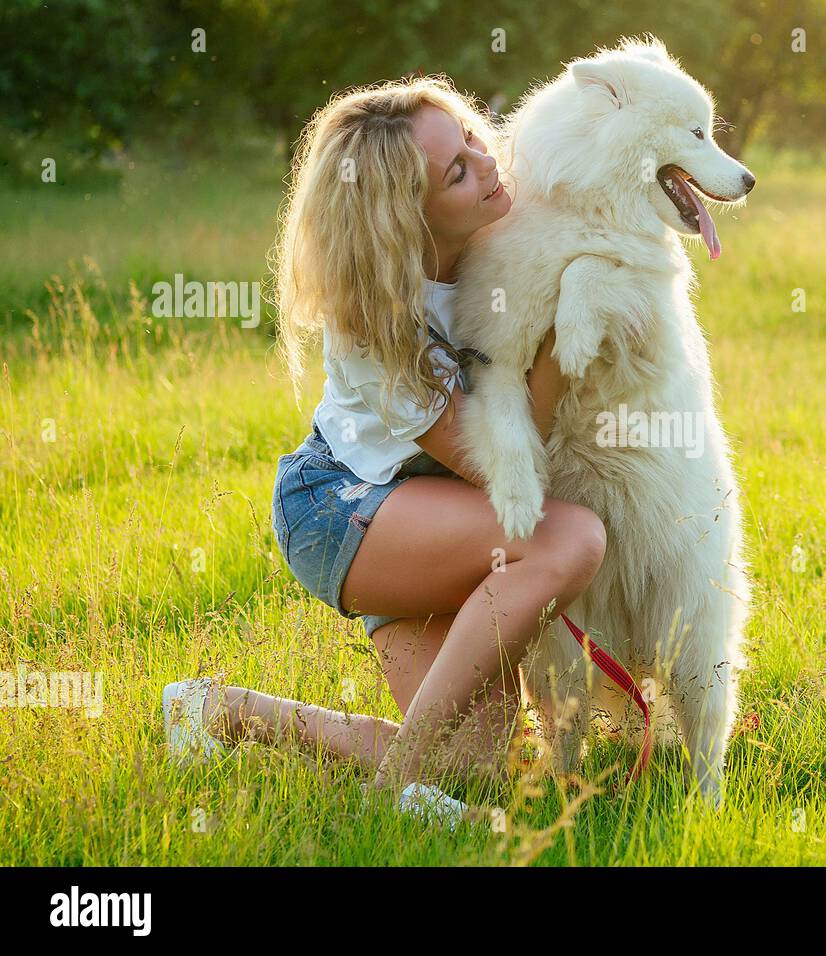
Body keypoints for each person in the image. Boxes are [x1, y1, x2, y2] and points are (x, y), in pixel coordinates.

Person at [161, 76, 607, 827]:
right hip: (345, 511)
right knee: (568, 539)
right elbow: (505, 468)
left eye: (471, 137)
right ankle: (396, 790)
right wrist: (564, 347)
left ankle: (219, 711)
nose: (486, 162)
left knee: (478, 764)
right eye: (457, 173)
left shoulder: (496, 236)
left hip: (438, 517)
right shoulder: (377, 318)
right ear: (408, 217)